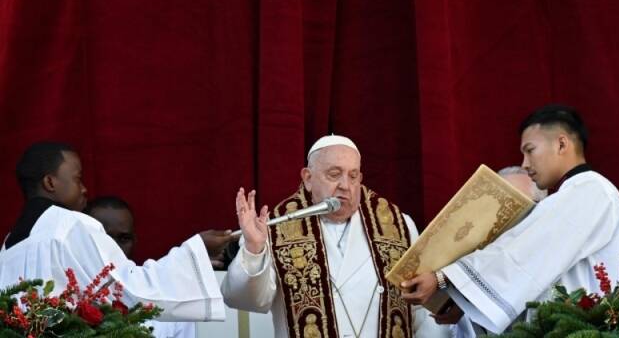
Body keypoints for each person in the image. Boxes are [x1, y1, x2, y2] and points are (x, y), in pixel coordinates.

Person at [401, 105, 619, 334]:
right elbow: (535, 276)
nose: (525, 164)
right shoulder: (582, 193)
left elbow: (519, 253)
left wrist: (444, 278)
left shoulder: (589, 190)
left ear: (561, 144)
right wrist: (465, 303)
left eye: (530, 150)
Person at [221, 135, 449, 337]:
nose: (345, 186)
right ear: (308, 178)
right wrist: (253, 249)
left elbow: (420, 308)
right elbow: (245, 300)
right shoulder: (274, 227)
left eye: (353, 176)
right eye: (334, 174)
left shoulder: (397, 224)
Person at [0, 142, 235, 322]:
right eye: (77, 178)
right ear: (50, 183)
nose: (84, 189)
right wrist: (196, 252)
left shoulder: (9, 244)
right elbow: (129, 291)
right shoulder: (70, 225)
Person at [444, 166, 547, 337]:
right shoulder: (465, 262)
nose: (509, 219)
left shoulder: (557, 262)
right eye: (503, 207)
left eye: (522, 209)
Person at [85, 196, 197, 338]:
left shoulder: (169, 301)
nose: (114, 249)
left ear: (134, 241)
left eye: (123, 239)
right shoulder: (62, 296)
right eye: (105, 238)